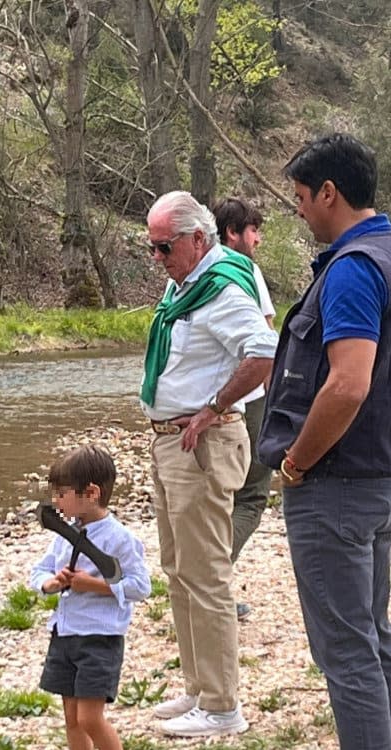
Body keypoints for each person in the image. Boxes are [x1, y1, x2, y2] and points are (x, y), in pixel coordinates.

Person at [258, 133, 391, 750]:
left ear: (330, 193)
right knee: (373, 636)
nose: (299, 209)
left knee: (348, 653)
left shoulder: (353, 269)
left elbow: (346, 385)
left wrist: (294, 464)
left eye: (302, 197)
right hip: (379, 481)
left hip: (337, 487)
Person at [140, 191, 278, 738]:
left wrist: (214, 409)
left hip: (201, 443)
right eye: (151, 247)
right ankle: (199, 687)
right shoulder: (185, 284)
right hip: (171, 442)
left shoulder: (221, 287)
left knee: (207, 575)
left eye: (164, 246)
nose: (156, 257)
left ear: (198, 239)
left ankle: (222, 705)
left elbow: (264, 352)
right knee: (179, 571)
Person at [30, 444, 151, 750]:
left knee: (90, 718)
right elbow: (40, 570)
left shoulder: (121, 539)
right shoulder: (66, 534)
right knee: (71, 718)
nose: (56, 501)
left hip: (100, 637)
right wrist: (50, 584)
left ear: (91, 493)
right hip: (65, 632)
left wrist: (92, 585)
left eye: (62, 493)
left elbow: (140, 586)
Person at [213, 197, 276, 621]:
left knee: (217, 498)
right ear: (233, 232)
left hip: (206, 405)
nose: (257, 239)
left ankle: (199, 584)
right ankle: (213, 586)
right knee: (252, 495)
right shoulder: (246, 270)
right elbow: (269, 340)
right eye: (253, 230)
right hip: (247, 400)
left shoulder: (194, 270)